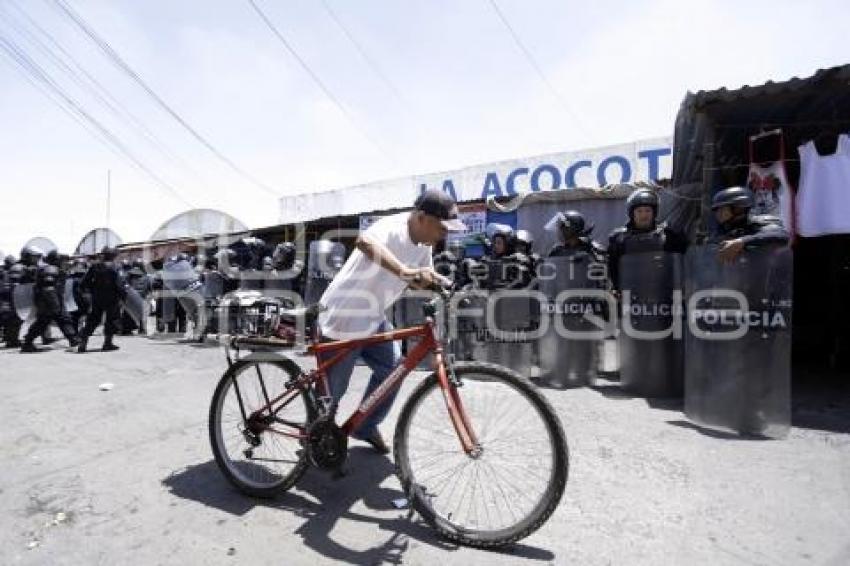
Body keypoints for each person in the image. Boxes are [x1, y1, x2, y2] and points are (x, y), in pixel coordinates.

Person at [316, 189, 461, 453]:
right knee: (331, 394)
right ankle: (314, 440)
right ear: (421, 218)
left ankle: (365, 426)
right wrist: (404, 271)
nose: (445, 234)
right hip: (342, 317)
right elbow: (364, 242)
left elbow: (418, 277)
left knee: (395, 369)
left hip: (372, 318)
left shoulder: (425, 244)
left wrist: (438, 281)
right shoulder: (393, 226)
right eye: (442, 227)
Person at [607, 189, 688, 291]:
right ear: (632, 213)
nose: (644, 215)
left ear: (654, 213)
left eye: (647, 210)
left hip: (662, 295)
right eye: (639, 211)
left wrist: (678, 235)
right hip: (631, 296)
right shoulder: (619, 239)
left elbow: (682, 261)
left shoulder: (668, 236)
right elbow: (613, 269)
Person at [20, 250, 80, 352]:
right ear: (55, 259)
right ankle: (27, 342)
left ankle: (73, 340)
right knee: (47, 321)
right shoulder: (51, 269)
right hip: (50, 301)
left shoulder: (51, 268)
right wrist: (54, 304)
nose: (63, 262)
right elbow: (48, 288)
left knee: (56, 320)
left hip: (51, 301)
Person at [709, 186, 789, 261]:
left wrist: (742, 241)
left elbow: (780, 235)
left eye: (723, 210)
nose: (719, 214)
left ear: (738, 209)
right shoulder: (725, 232)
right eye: (717, 211)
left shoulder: (761, 222)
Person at [77, 247, 126, 353]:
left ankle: (83, 343)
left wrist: (91, 291)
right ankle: (107, 343)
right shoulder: (116, 267)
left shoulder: (95, 266)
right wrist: (123, 297)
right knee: (112, 320)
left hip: (97, 297)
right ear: (113, 256)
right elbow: (119, 285)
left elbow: (84, 283)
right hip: (112, 298)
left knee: (93, 320)